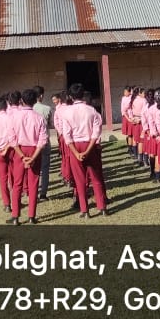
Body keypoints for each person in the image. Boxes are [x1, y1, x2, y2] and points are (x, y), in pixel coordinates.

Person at [62, 83, 108, 218]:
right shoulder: (92, 110)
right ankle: (102, 207)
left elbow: (67, 135)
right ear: (83, 95)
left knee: (80, 180)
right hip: (90, 144)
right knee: (96, 177)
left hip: (75, 145)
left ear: (71, 97)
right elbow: (96, 133)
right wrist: (88, 149)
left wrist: (76, 152)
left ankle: (85, 210)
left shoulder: (67, 112)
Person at [9, 89, 49, 223]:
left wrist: (22, 156)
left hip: (19, 150)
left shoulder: (14, 116)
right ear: (35, 100)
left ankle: (15, 216)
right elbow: (43, 140)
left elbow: (12, 139)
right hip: (34, 150)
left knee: (17, 184)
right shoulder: (39, 117)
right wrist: (33, 157)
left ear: (21, 101)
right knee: (33, 183)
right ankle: (32, 216)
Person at [31, 86, 53, 200]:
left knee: (33, 169)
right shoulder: (47, 108)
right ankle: (43, 193)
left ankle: (32, 192)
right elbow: (50, 124)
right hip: (44, 142)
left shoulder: (29, 110)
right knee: (45, 169)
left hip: (31, 143)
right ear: (41, 96)